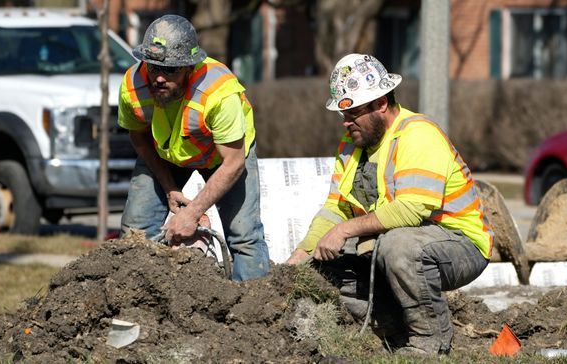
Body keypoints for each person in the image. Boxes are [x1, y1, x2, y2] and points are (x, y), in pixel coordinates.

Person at [286, 54, 492, 355]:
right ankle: (394, 326)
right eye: (343, 114)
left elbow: (412, 209)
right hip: (397, 246)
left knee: (399, 247)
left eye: (353, 113)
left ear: (381, 103)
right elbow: (336, 207)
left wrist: (345, 230)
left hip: (460, 245)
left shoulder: (417, 135)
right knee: (321, 269)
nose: (346, 122)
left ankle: (430, 344)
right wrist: (303, 253)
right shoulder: (351, 146)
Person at [118, 14, 270, 281]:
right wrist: (169, 187)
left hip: (222, 160)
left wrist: (192, 212)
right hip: (163, 155)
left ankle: (253, 313)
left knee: (245, 237)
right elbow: (139, 139)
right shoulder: (132, 86)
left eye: (170, 70)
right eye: (153, 67)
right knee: (135, 233)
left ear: (189, 66)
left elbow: (233, 163)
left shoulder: (220, 93)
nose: (159, 78)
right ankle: (135, 308)